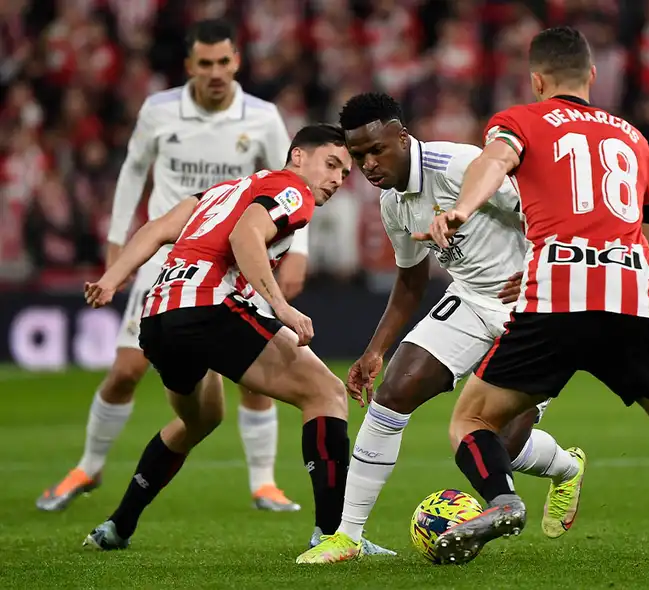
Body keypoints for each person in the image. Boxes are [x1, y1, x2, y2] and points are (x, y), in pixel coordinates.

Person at [420, 26, 649, 582]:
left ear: (537, 80)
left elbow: (493, 162)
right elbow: (645, 231)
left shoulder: (522, 119)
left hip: (558, 301)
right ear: (592, 75)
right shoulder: (634, 139)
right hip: (632, 300)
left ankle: (503, 500)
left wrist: (460, 210)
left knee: (472, 419)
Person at [80, 124, 383, 564]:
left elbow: (158, 228)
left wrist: (111, 280)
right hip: (209, 307)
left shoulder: (223, 191)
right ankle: (335, 535)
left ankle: (117, 526)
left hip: (160, 317)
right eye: (331, 164)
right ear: (298, 156)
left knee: (201, 418)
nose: (337, 179)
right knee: (326, 393)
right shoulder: (293, 190)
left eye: (345, 173)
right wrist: (280, 306)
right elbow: (245, 236)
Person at [38, 18, 305, 513]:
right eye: (205, 63)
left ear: (236, 62)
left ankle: (264, 483)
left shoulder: (263, 117)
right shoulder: (159, 111)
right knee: (125, 370)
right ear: (189, 66)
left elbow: (293, 182)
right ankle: (89, 466)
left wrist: (300, 250)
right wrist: (116, 243)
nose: (215, 72)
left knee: (254, 371)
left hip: (237, 262)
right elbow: (133, 172)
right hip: (167, 258)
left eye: (223, 61)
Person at [320, 92, 585, 557]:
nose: (369, 165)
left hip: (532, 306)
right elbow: (410, 281)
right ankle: (347, 536)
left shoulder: (461, 166)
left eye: (377, 150)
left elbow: (549, 210)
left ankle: (566, 468)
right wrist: (375, 350)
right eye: (359, 157)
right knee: (393, 392)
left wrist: (543, 268)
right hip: (470, 300)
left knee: (500, 446)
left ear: (403, 138)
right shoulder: (393, 203)